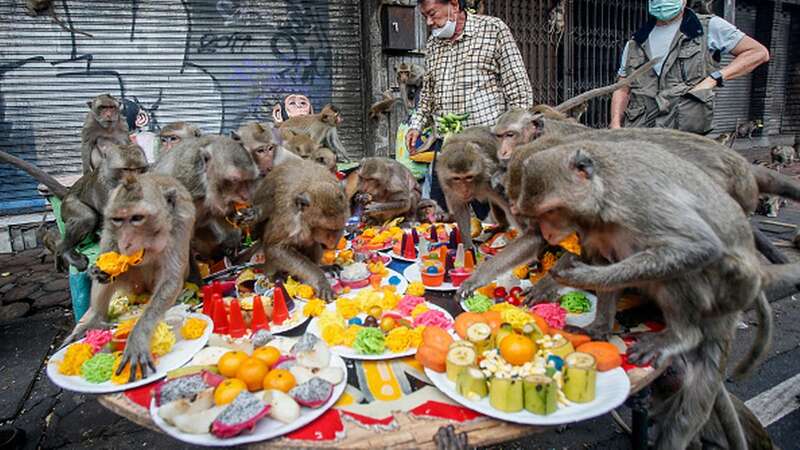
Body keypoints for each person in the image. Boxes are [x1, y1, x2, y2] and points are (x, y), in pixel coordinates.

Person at [406, 0, 532, 211]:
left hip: (486, 146)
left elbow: (519, 91)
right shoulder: (434, 44)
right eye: (425, 16)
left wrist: (514, 141)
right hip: (446, 148)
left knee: (491, 215)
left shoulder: (493, 30)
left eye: (432, 14)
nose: (429, 22)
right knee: (443, 215)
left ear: (454, 5)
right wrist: (416, 125)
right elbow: (428, 93)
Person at [610, 0, 769, 134]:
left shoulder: (707, 27)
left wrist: (713, 79)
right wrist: (615, 124)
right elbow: (622, 87)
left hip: (685, 132)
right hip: (641, 132)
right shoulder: (636, 42)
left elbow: (758, 52)